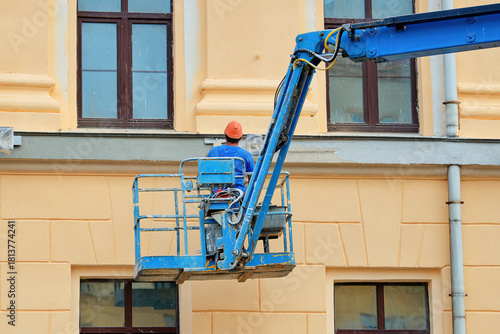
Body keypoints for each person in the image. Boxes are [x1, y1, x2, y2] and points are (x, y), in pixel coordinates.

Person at [207, 121, 255, 192]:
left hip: (216, 195)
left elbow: (206, 172)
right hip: (237, 195)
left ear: (225, 137)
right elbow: (252, 180)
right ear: (240, 138)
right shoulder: (246, 155)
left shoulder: (213, 152)